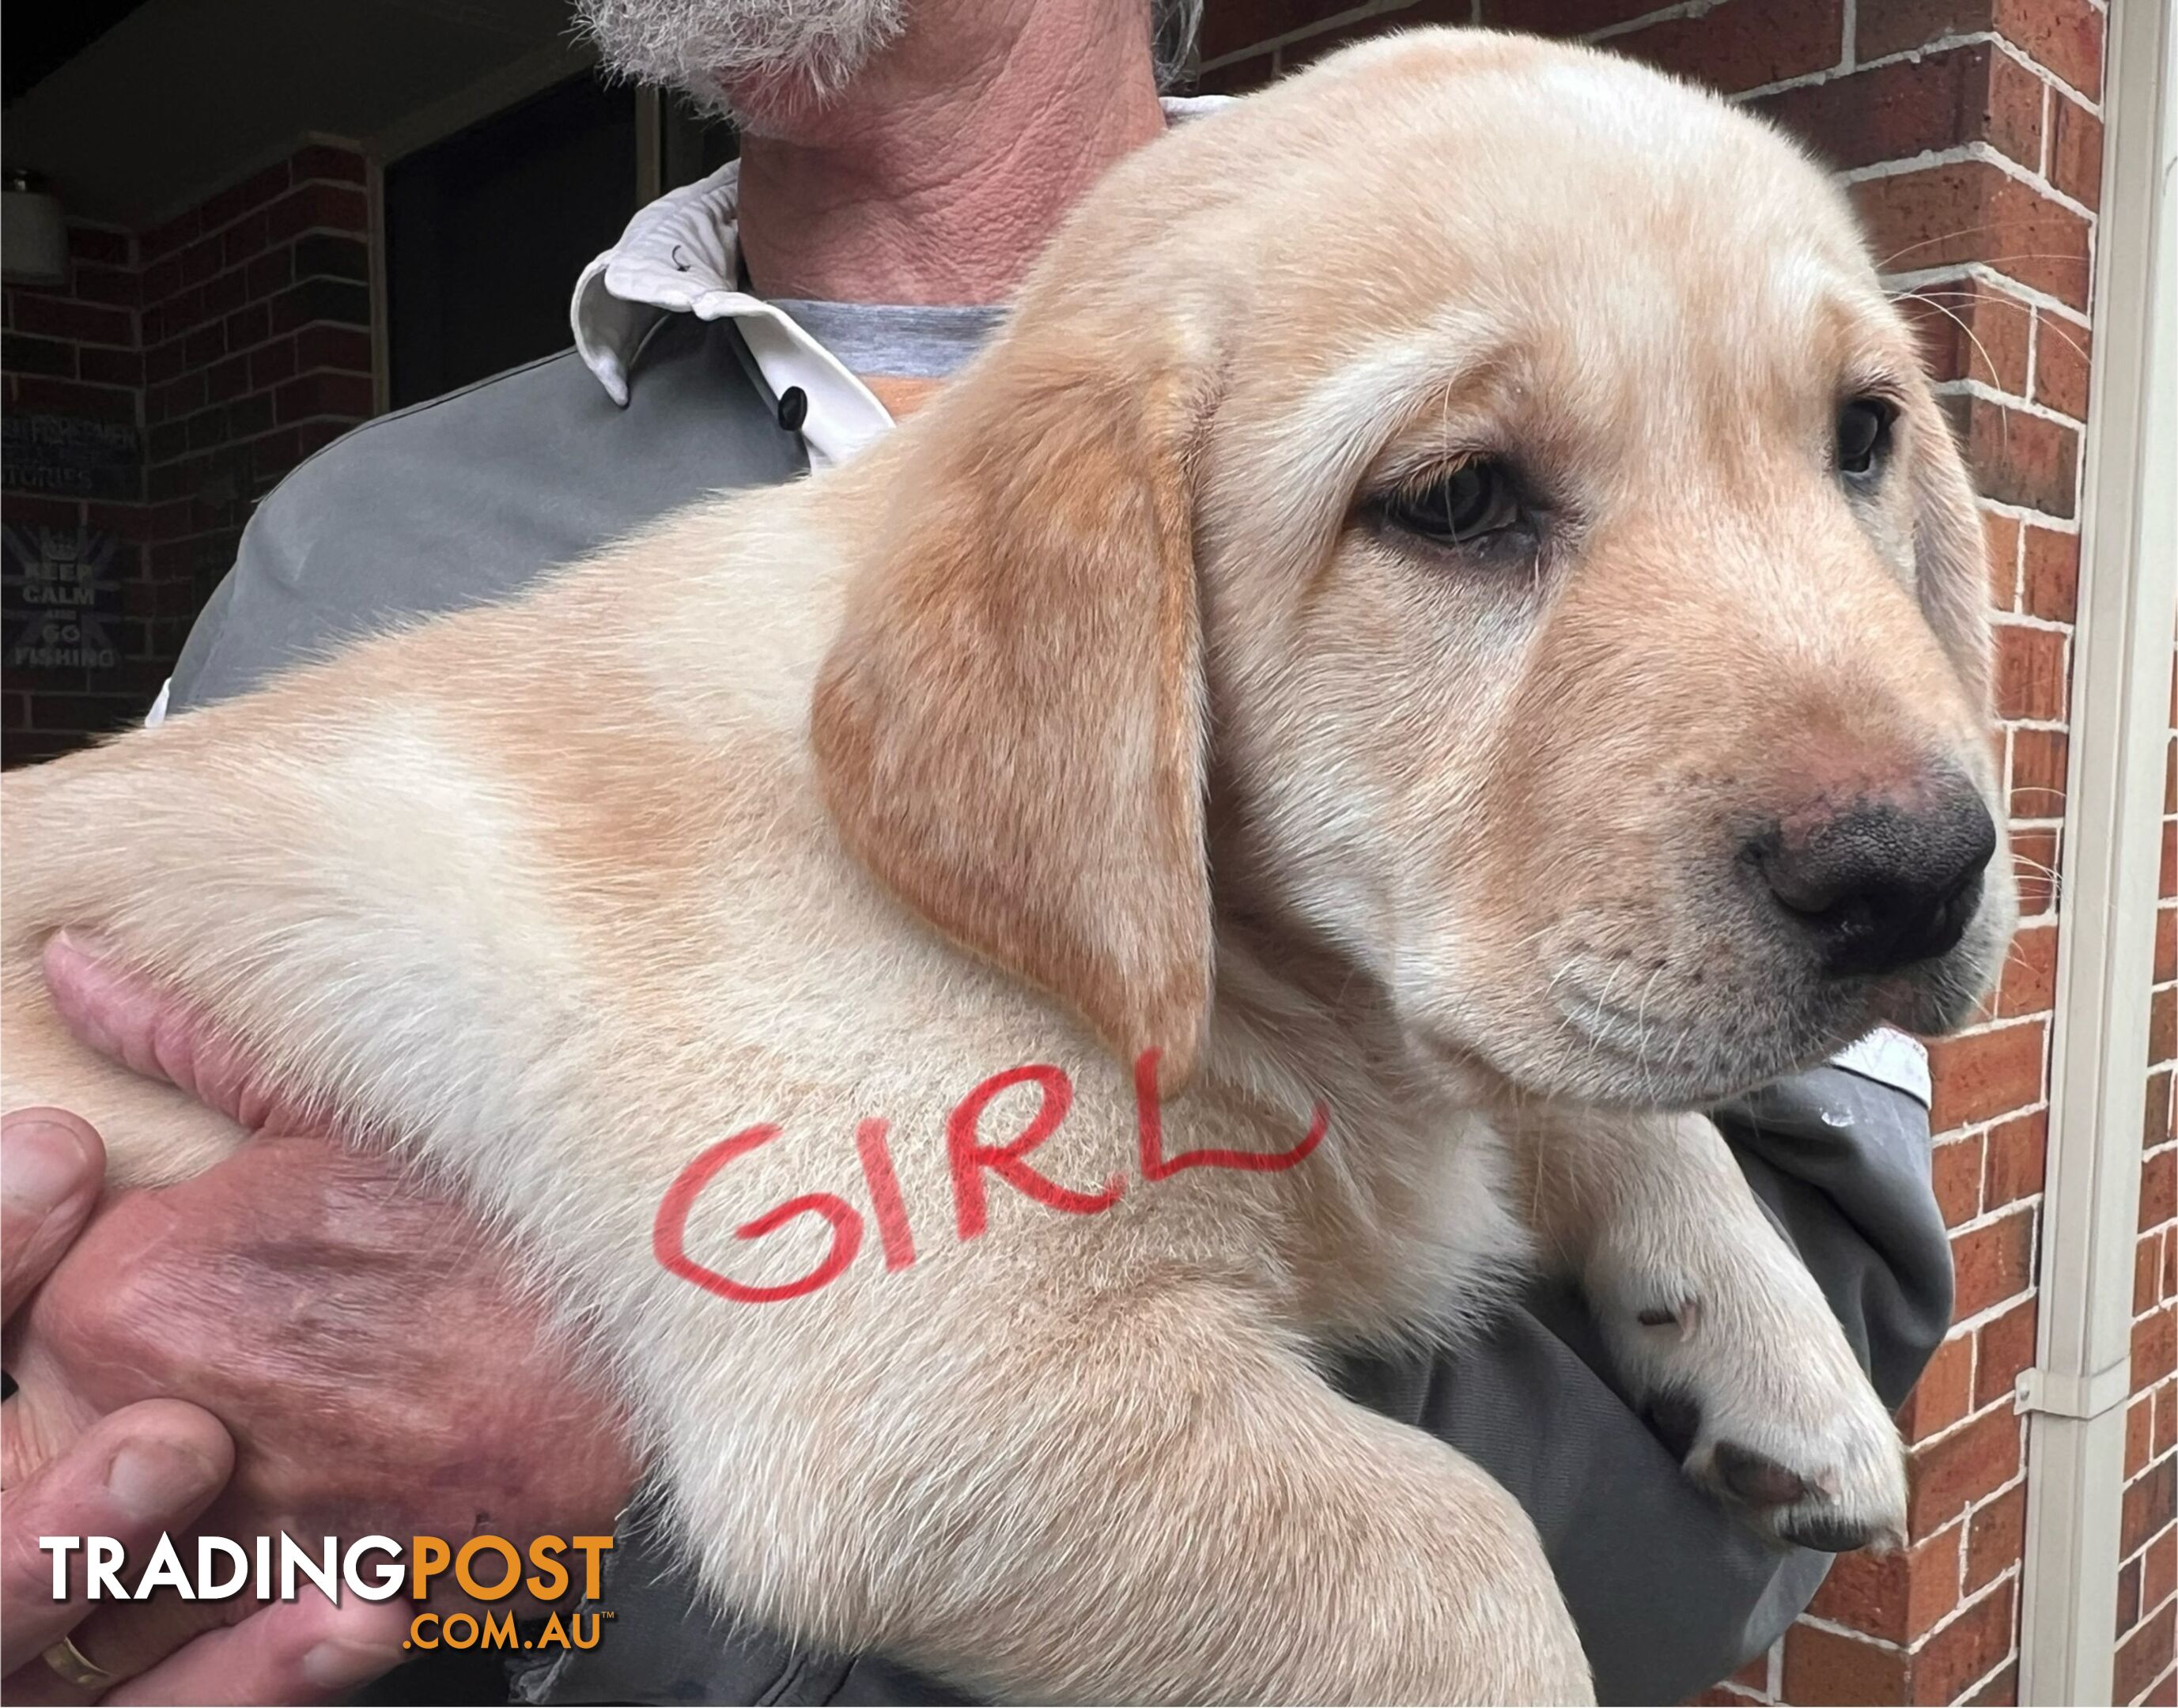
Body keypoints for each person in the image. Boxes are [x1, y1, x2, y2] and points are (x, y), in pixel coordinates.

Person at [0, 2, 1954, 1702]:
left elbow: (1767, 1484)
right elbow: (910, 1428)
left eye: (1857, 431)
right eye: (1460, 493)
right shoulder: (352, 528)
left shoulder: (1531, 223)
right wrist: (103, 1569)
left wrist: (610, 1442)